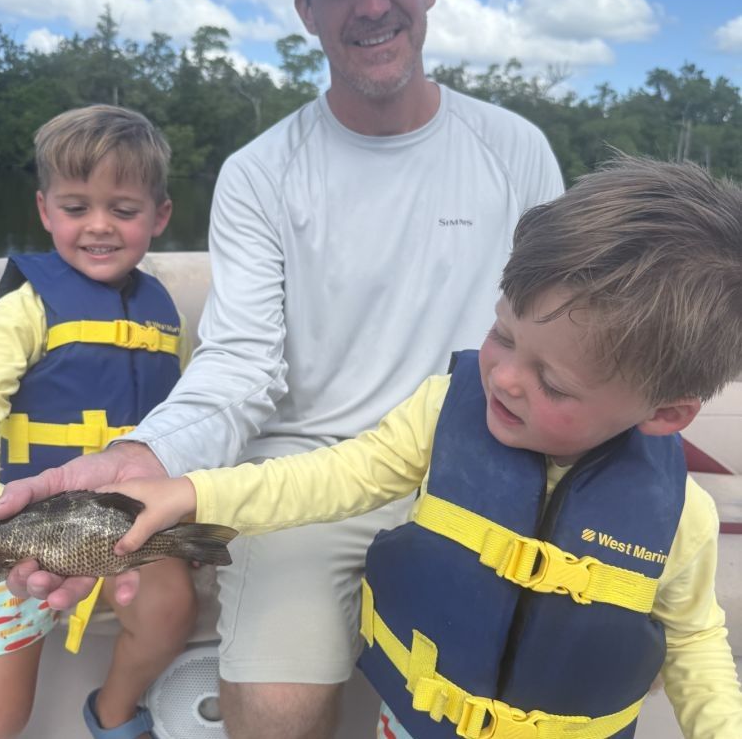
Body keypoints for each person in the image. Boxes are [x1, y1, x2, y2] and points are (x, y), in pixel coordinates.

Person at [0, 0, 564, 739]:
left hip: (469, 471)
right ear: (306, 9)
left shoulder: (516, 151)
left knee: (527, 697)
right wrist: (147, 455)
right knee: (276, 714)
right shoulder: (260, 172)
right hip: (299, 482)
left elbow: (555, 340)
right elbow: (241, 364)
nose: (370, 3)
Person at [104, 155, 742, 739]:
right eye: (502, 332)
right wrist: (189, 492)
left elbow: (694, 639)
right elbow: (329, 478)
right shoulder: (441, 414)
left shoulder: (681, 517)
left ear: (665, 414)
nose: (506, 376)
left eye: (552, 382)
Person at [0, 105, 195, 739]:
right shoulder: (24, 309)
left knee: (171, 607)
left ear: (159, 216)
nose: (99, 226)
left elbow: (183, 416)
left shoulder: (164, 314)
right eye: (76, 208)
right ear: (45, 210)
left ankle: (114, 712)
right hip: (13, 533)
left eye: (124, 210)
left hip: (116, 524)